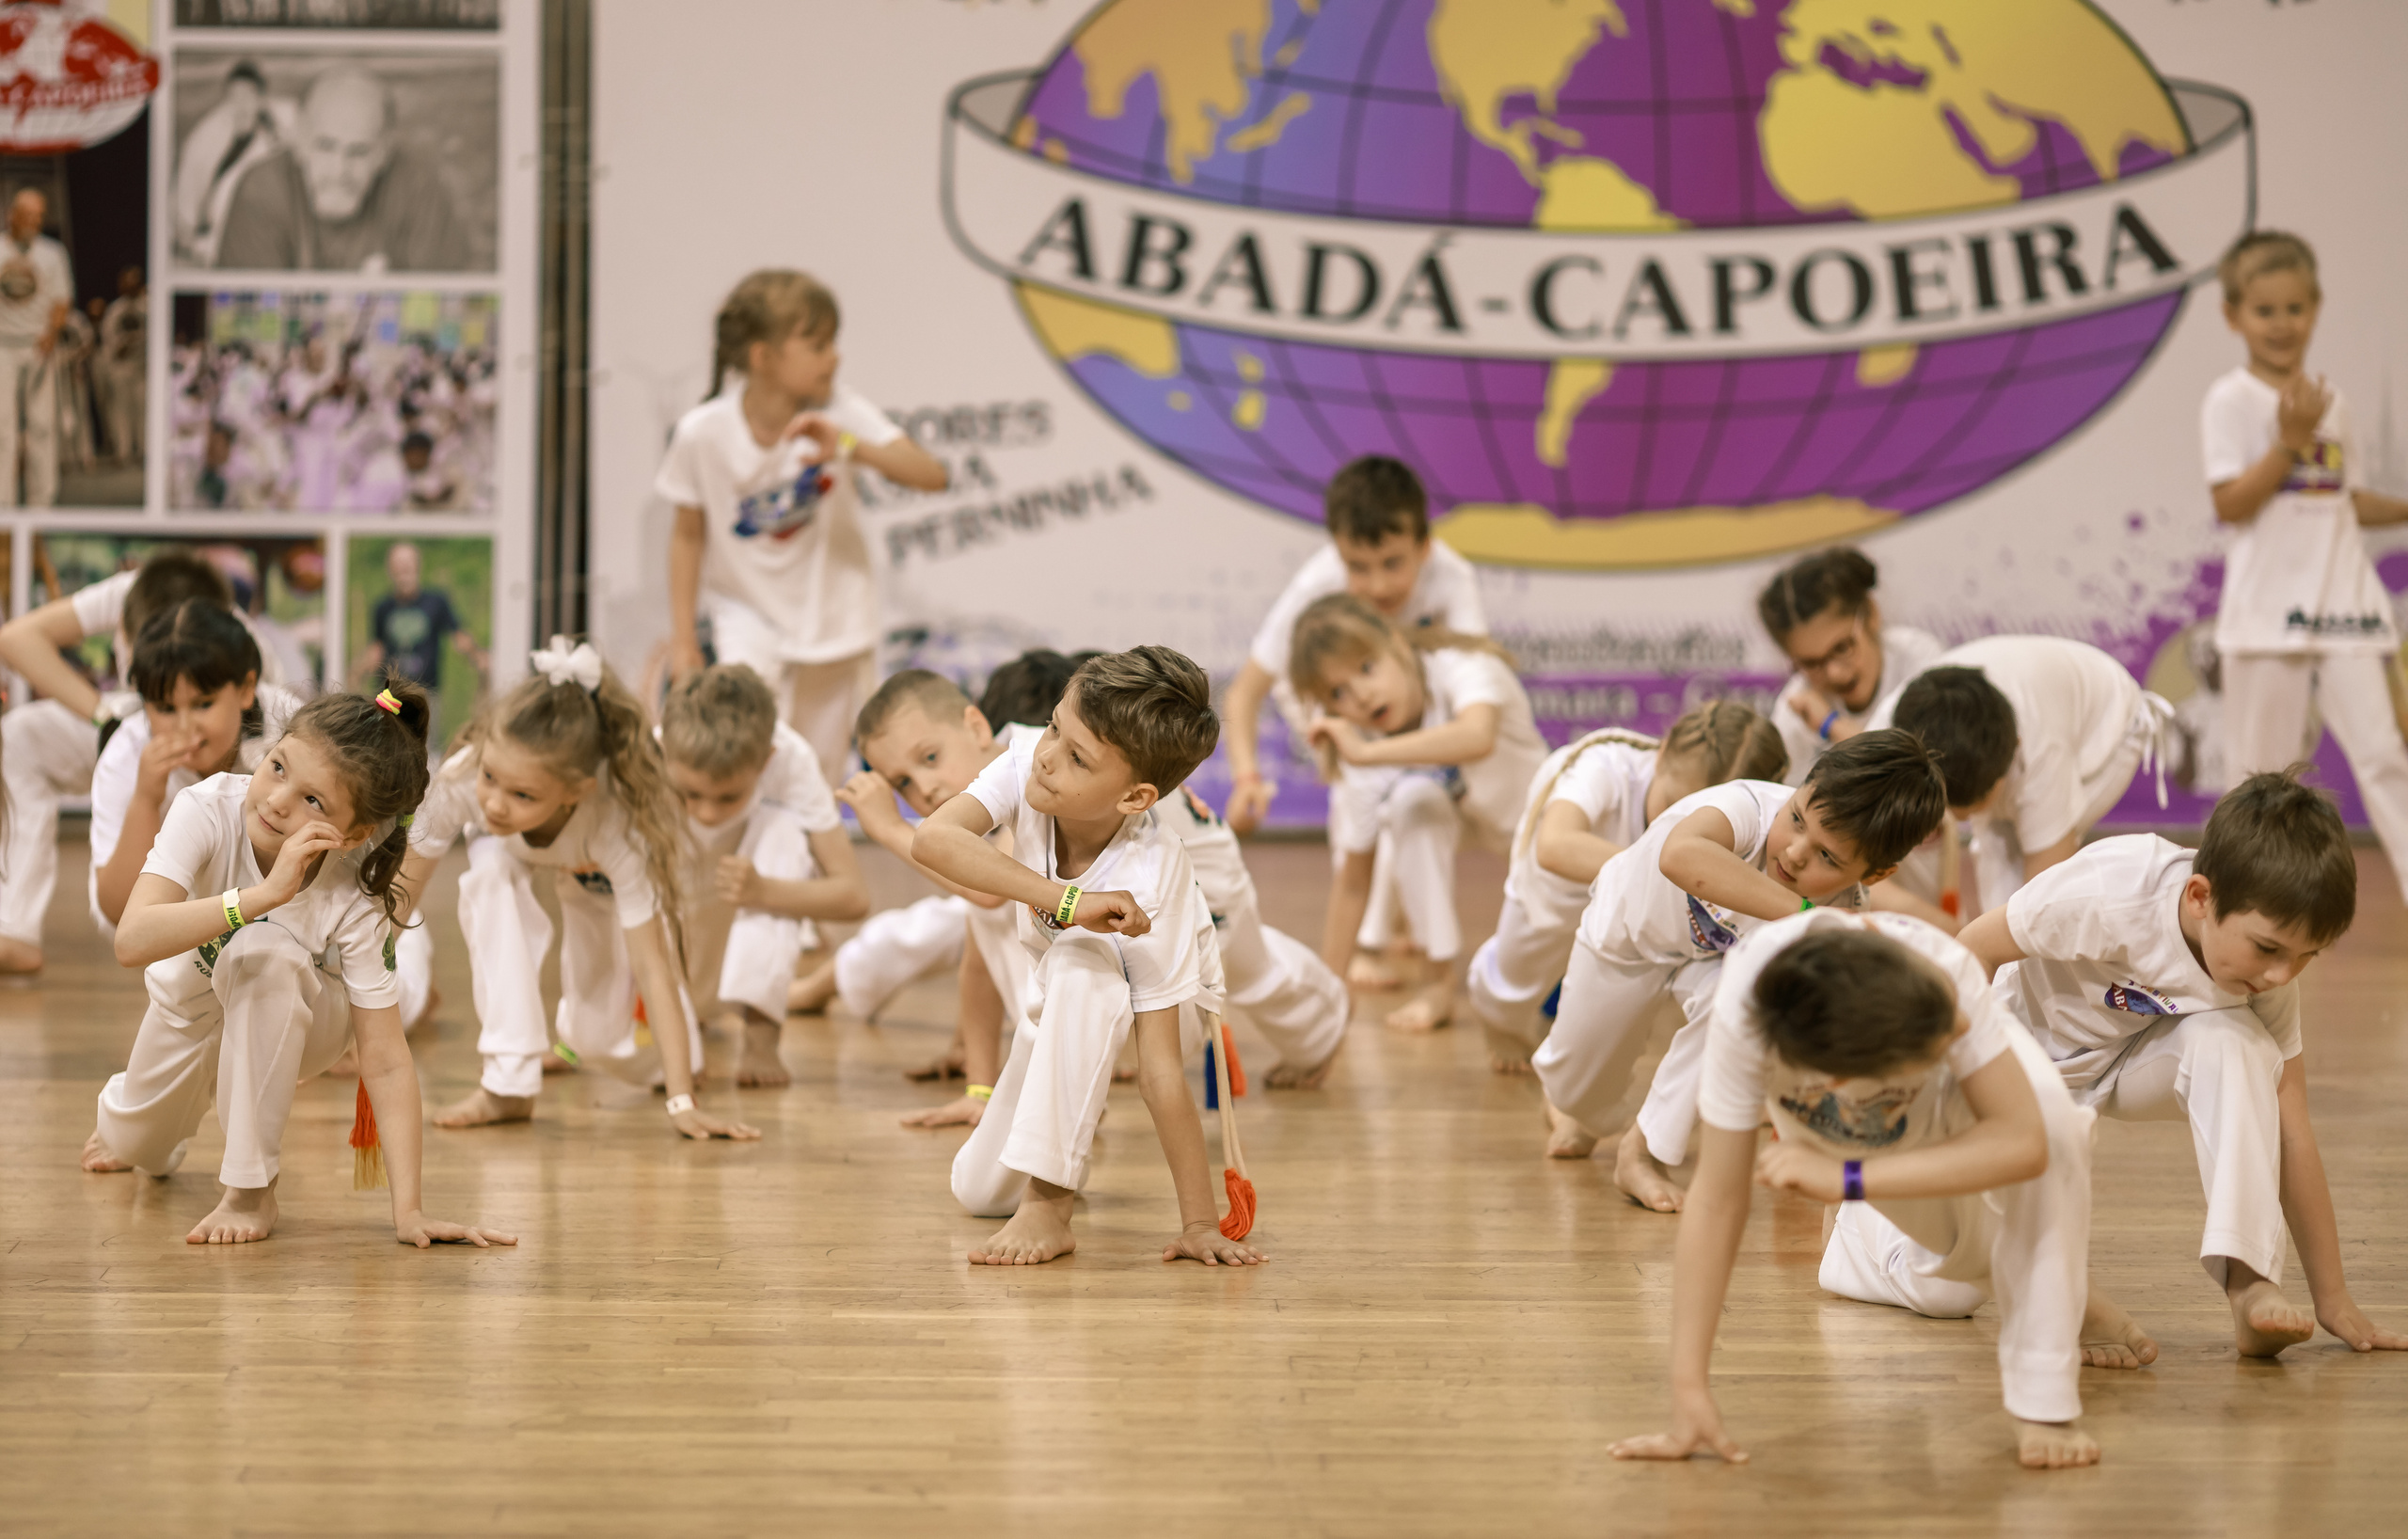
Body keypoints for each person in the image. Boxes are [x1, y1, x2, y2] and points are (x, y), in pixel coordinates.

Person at [1607, 913, 2103, 1471]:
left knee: (2058, 1128)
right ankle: (2061, 1295)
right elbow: (1718, 1199)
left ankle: (2044, 1393)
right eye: (1945, 1039)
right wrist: (1687, 1389)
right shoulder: (1743, 1021)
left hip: (1946, 1104)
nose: (1959, 1029)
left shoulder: (1945, 984)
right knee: (1950, 1293)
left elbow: (2023, 1142)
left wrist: (1849, 1180)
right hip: (1850, 1112)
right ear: (1840, 1087)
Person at [1959, 770, 2408, 1362]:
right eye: (2269, 949)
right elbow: (1970, 949)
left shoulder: (2264, 971)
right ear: (2200, 897)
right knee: (1942, 1291)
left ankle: (2249, 1285)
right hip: (2017, 1061)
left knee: (2240, 1042)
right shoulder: (2108, 890)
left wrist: (2335, 1297)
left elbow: (2290, 1123)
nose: (2280, 975)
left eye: (2305, 957)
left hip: (2124, 1064)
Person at [81, 682, 515, 1252]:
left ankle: (250, 1190)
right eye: (278, 766)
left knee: (264, 954)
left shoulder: (354, 888)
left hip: (302, 1020)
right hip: (188, 1006)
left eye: (314, 801)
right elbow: (131, 940)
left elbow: (384, 1060)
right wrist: (263, 897)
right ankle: (148, 1126)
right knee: (137, 1147)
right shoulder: (206, 809)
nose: (279, 800)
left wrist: (408, 1211)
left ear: (355, 833)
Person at [912, 646, 1263, 1267]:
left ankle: (1050, 1206)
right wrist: (1069, 901)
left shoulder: (1157, 877)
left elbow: (1158, 1073)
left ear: (1134, 797)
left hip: (1133, 1019)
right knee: (976, 1191)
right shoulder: (1027, 762)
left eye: (1077, 757)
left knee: (1086, 966)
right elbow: (933, 838)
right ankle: (1054, 1148)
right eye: (1053, 725)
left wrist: (1200, 1223)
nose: (1048, 756)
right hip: (1044, 1014)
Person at [1532, 731, 1944, 1208]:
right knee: (1574, 1092)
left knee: (1745, 1006)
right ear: (1797, 788)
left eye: (1827, 856)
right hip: (1626, 935)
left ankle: (1642, 1152)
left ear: (1874, 875)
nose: (1794, 852)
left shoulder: (1847, 905)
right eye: (1797, 820)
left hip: (1714, 963)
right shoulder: (1747, 806)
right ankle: (1586, 1113)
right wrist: (1809, 913)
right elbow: (1679, 855)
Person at [397, 638, 755, 1140]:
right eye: (491, 777)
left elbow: (652, 968)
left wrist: (681, 1102)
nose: (496, 804)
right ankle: (508, 1085)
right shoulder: (461, 780)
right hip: (508, 857)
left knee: (601, 1038)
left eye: (522, 794)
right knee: (490, 877)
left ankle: (674, 1060)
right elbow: (399, 902)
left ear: (577, 792)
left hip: (592, 873)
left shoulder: (615, 824)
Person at [659, 269, 947, 781]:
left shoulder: (839, 413)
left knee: (814, 778)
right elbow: (687, 535)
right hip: (747, 616)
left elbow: (931, 475)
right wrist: (684, 642)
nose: (833, 357)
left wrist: (847, 446)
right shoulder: (701, 433)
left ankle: (804, 864)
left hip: (834, 621)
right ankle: (745, 862)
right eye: (816, 344)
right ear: (762, 357)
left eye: (833, 342)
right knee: (742, 762)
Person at [2203, 230, 2408, 902]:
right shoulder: (2230, 401)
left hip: (2344, 610)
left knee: (2384, 758)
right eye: (2265, 311)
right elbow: (2232, 502)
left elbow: (2342, 502)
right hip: (2267, 619)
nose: (2283, 324)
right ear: (2233, 317)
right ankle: (2237, 906)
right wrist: (2288, 445)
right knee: (2258, 781)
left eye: (2295, 308)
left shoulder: (2334, 402)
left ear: (2316, 308)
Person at [0, 549, 291, 973]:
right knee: (21, 737)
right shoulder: (129, 594)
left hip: (235, 748)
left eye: (203, 698)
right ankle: (14, 926)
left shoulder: (255, 670)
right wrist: (105, 720)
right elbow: (16, 639)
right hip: (134, 721)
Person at [1465, 702, 1786, 1074]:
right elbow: (1554, 846)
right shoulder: (1604, 765)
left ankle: (1564, 1020)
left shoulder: (1758, 819)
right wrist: (1656, 868)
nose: (1679, 828)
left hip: (1645, 912)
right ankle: (1508, 1015)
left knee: (1623, 995)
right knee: (1509, 985)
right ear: (1662, 752)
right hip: (1562, 887)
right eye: (1671, 805)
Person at [1287, 593, 1545, 1035]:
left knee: (1580, 953)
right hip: (1451, 814)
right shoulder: (1360, 746)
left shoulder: (1462, 664)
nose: (1362, 695)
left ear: (1397, 643)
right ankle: (1437, 983)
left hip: (1532, 818)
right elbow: (1352, 883)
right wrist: (1330, 994)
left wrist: (1370, 754)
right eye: (1338, 692)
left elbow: (1476, 736)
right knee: (1412, 805)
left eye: (1367, 667)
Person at [1220, 455, 1487, 835]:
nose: (1377, 586)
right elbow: (1244, 693)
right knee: (1358, 840)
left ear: (1424, 546)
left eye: (1392, 563)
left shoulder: (1452, 578)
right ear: (1337, 552)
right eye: (1358, 567)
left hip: (1415, 713)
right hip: (1346, 725)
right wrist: (1247, 779)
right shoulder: (1316, 586)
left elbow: (1478, 678)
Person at [657, 664, 866, 1088]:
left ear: (767, 759)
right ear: (666, 755)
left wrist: (764, 890)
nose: (707, 812)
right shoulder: (655, 748)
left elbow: (853, 897)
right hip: (679, 891)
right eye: (691, 793)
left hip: (752, 883)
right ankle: (678, 1027)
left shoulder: (793, 761)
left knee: (785, 831)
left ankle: (761, 1035)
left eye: (728, 796)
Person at [1878, 635, 2174, 916]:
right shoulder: (1885, 733)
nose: (1963, 820)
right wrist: (1931, 919)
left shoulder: (2042, 753)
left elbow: (2043, 900)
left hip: (2112, 728)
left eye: (1972, 808)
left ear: (2014, 751)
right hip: (2030, 713)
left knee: (2035, 892)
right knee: (1997, 874)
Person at [89, 603, 306, 944]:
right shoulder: (126, 755)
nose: (185, 726)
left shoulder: (290, 727)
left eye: (203, 703)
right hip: (176, 938)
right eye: (165, 708)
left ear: (246, 688)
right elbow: (118, 911)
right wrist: (146, 799)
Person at [214, 66, 471, 273]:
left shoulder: (419, 188)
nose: (339, 171)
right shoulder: (260, 192)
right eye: (326, 147)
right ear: (299, 140)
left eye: (358, 152)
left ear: (384, 152)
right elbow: (250, 322)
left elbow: (450, 311)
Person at [1756, 546, 1945, 786]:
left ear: (1871, 614)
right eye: (1810, 663)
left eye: (1842, 648)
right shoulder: (1796, 708)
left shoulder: (1920, 662)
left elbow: (1926, 784)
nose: (1834, 673)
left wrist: (1830, 725)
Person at [352, 542, 484, 729]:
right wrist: (356, 673)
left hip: (424, 691)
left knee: (422, 743)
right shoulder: (383, 606)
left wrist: (478, 657)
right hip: (390, 691)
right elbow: (377, 647)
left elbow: (459, 635)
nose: (403, 569)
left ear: (418, 565)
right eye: (398, 564)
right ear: (390, 569)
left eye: (408, 563)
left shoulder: (436, 601)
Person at [172, 60, 289, 268]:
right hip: (198, 242)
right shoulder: (209, 138)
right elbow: (189, 187)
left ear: (261, 100)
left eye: (247, 96)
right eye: (234, 96)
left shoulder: (271, 149)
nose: (240, 104)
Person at [0, 188, 72, 507]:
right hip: (2, 346)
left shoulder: (52, 253)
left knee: (42, 427)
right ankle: (3, 508)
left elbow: (61, 298)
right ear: (11, 216)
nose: (34, 222)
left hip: (39, 346)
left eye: (39, 216)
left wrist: (52, 332)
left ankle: (41, 506)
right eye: (28, 215)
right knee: (3, 429)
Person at [99, 270, 146, 465]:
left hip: (144, 366)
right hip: (121, 366)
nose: (129, 286)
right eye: (126, 282)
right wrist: (122, 345)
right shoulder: (115, 310)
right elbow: (108, 339)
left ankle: (145, 449)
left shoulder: (149, 305)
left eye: (133, 282)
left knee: (144, 409)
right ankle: (124, 451)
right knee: (120, 410)